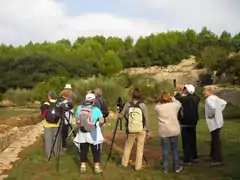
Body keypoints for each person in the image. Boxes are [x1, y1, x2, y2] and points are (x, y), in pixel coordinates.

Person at [117, 88, 150, 171]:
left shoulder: (128, 104)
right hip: (141, 129)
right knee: (140, 148)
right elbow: (146, 118)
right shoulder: (143, 105)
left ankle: (124, 163)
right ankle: (138, 166)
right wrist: (147, 130)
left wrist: (118, 112)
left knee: (128, 146)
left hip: (131, 129)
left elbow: (121, 116)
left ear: (132, 96)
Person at [73, 93, 105, 174]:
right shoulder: (96, 109)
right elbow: (102, 121)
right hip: (93, 133)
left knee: (83, 150)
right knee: (95, 151)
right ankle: (96, 167)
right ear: (93, 101)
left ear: (85, 100)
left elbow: (77, 121)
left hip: (82, 133)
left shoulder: (80, 108)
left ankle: (83, 166)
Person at [155, 92, 182, 173]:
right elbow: (179, 103)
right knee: (174, 149)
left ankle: (165, 168)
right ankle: (177, 167)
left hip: (164, 130)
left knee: (165, 150)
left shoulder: (158, 107)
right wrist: (172, 98)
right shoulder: (174, 106)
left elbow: (158, 105)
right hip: (174, 129)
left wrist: (161, 100)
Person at [175, 84, 200, 166]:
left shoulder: (185, 99)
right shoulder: (196, 98)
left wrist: (179, 92)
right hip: (194, 121)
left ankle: (187, 159)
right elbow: (194, 94)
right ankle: (194, 157)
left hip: (185, 121)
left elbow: (176, 98)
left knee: (186, 140)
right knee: (193, 139)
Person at [203, 86, 227, 167]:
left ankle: (219, 159)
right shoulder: (216, 98)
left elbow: (212, 108)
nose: (203, 93)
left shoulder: (208, 99)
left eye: (205, 91)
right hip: (219, 121)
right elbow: (224, 103)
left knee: (215, 140)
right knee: (214, 139)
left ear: (209, 92)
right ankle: (212, 155)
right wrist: (219, 111)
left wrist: (211, 114)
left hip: (214, 122)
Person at [40, 91, 61, 159]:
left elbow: (43, 115)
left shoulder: (46, 104)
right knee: (56, 139)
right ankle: (57, 153)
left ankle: (49, 154)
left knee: (48, 140)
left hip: (47, 124)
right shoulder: (58, 104)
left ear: (49, 96)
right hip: (56, 124)